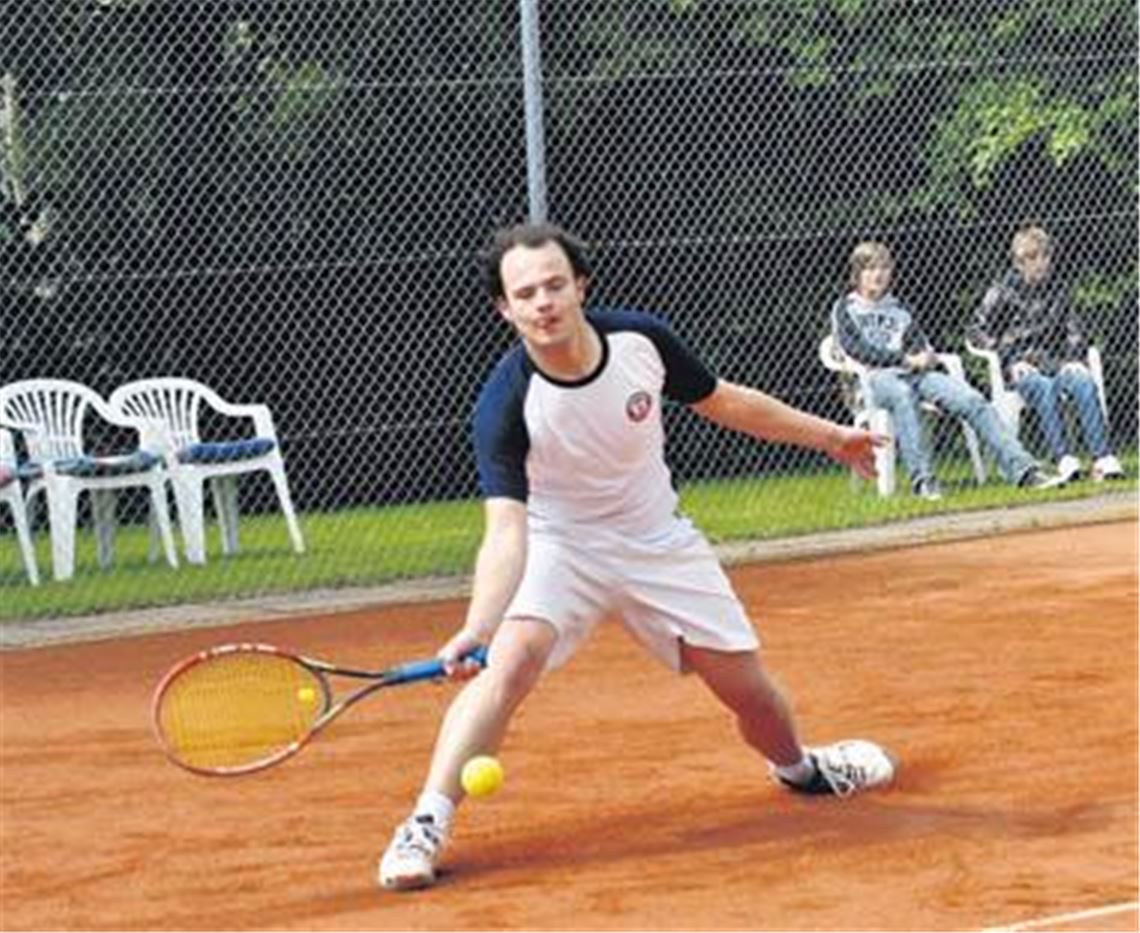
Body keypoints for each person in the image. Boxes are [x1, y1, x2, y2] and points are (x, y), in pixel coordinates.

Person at [378, 222, 897, 892]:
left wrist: (829, 436)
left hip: (659, 540)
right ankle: (425, 819)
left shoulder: (640, 341)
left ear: (580, 286)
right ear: (504, 308)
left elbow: (723, 399)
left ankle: (800, 768)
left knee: (749, 692)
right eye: (526, 293)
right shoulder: (505, 403)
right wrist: (480, 626)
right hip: (562, 545)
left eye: (554, 285)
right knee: (509, 662)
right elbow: (507, 529)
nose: (544, 302)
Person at [831, 241, 1063, 501]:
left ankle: (1023, 470)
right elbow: (855, 350)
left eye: (884, 267)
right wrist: (904, 359)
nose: (878, 274)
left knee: (972, 400)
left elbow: (917, 344)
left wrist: (925, 355)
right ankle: (924, 481)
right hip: (873, 380)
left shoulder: (900, 308)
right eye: (870, 268)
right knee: (901, 393)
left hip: (914, 375)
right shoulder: (846, 308)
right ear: (857, 274)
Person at [969, 226, 1125, 483]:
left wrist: (1074, 359)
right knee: (1042, 386)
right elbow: (976, 331)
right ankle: (1064, 459)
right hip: (1021, 366)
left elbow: (1075, 329)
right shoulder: (1002, 290)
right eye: (1031, 258)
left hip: (1055, 362)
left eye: (1044, 256)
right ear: (1018, 263)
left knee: (1084, 380)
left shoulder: (1060, 289)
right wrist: (1009, 359)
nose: (1039, 263)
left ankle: (1103, 459)